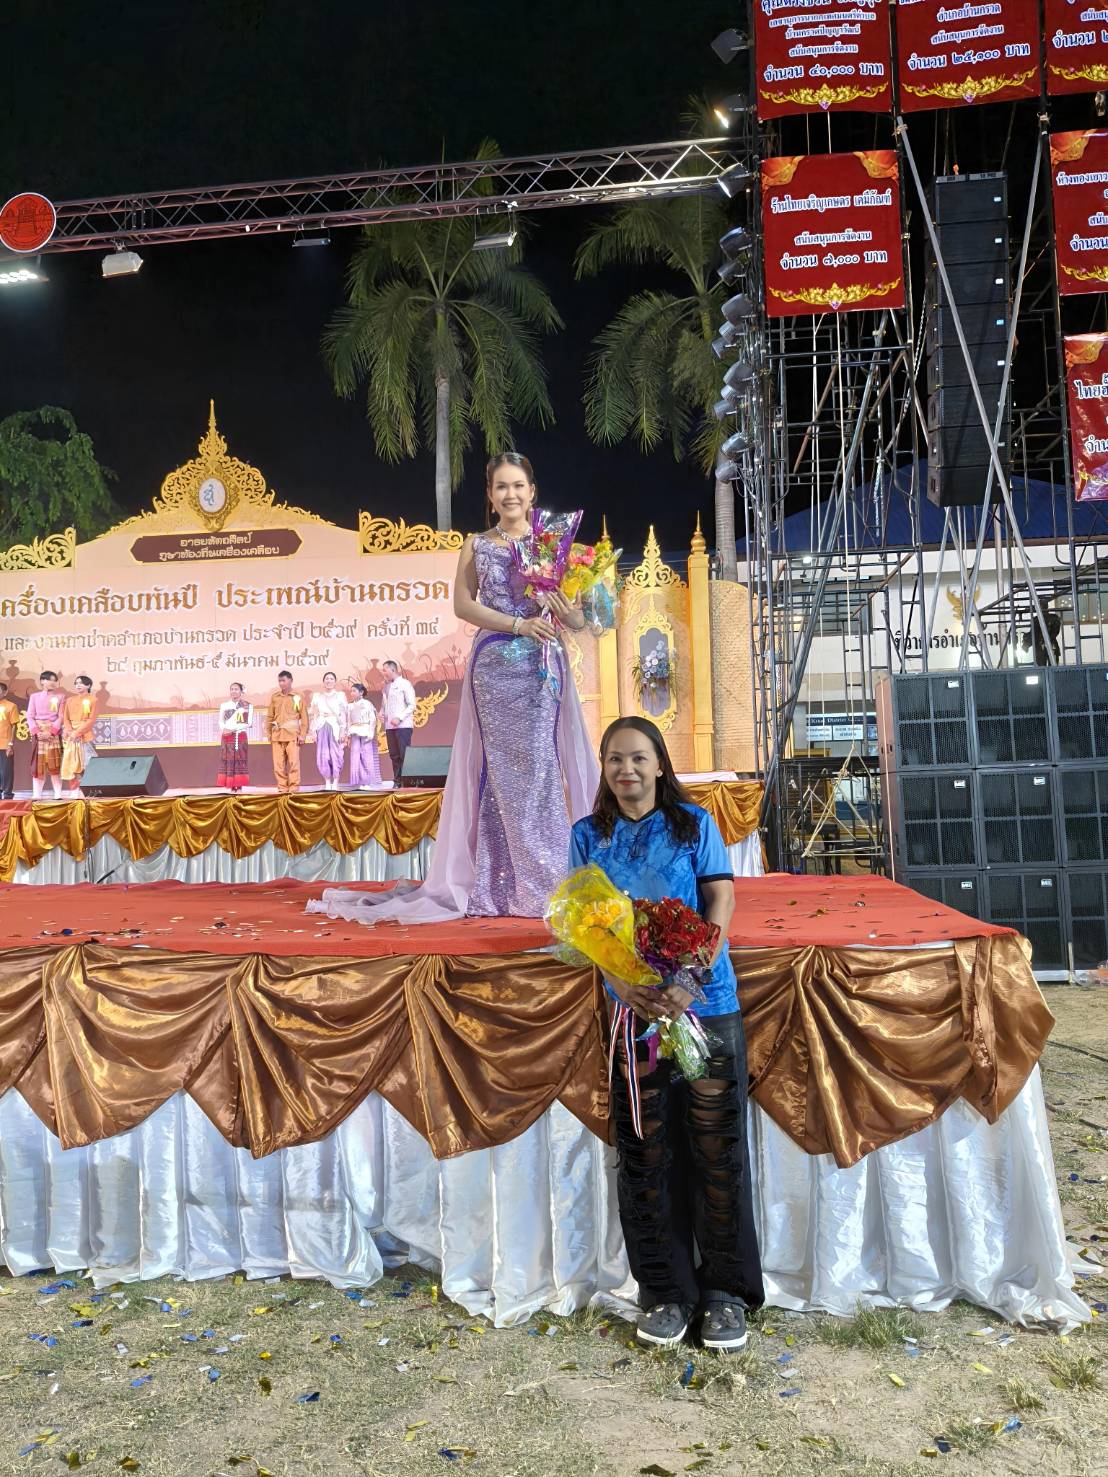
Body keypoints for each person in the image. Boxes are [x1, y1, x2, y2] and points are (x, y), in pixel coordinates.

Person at [310, 451, 599, 923]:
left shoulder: (555, 545)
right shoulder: (477, 545)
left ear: (532, 492)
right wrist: (517, 624)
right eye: (501, 486)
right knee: (500, 775)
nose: (510, 494)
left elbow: (581, 620)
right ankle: (497, 885)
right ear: (490, 495)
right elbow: (463, 605)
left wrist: (571, 615)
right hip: (495, 666)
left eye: (518, 485)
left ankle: (547, 879)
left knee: (542, 769)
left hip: (541, 668)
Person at [569, 716, 764, 1353]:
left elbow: (720, 903)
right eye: (614, 759)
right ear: (603, 768)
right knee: (645, 1151)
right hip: (635, 1012)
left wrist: (690, 975)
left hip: (705, 1004)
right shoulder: (587, 835)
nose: (626, 770)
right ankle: (665, 1293)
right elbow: (585, 925)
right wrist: (620, 982)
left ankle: (726, 1294)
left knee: (716, 1147)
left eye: (638, 758)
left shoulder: (694, 825)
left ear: (659, 764)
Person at [265, 670, 308, 794]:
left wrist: (303, 735)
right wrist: (269, 733)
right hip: (277, 735)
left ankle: (294, 788)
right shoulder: (275, 697)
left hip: (293, 734)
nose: (281, 683)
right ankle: (282, 788)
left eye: (283, 680)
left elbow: (304, 717)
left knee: (293, 763)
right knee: (278, 765)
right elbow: (270, 716)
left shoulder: (298, 696)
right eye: (279, 681)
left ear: (291, 680)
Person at [26, 671, 64, 801]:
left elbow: (61, 716)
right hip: (39, 734)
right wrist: (37, 732)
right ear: (42, 681)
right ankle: (37, 794)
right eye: (50, 680)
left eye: (55, 680)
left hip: (53, 733)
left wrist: (51, 732)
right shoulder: (34, 697)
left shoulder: (60, 697)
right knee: (38, 764)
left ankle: (58, 793)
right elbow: (30, 716)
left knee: (55, 764)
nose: (53, 682)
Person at [309, 671, 349, 791]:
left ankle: (336, 780)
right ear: (323, 681)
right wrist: (313, 731)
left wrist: (343, 730)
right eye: (327, 678)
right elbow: (313, 715)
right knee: (323, 755)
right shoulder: (317, 696)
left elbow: (344, 714)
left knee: (336, 754)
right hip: (321, 726)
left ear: (335, 681)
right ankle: (327, 780)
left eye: (331, 679)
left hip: (335, 727)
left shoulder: (340, 695)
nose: (329, 681)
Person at [60, 675, 98, 797]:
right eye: (76, 683)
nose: (78, 685)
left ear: (88, 685)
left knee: (87, 764)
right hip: (71, 737)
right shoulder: (70, 700)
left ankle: (88, 791)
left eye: (81, 683)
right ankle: (74, 791)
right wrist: (70, 731)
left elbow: (91, 720)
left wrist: (78, 732)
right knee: (72, 764)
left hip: (85, 736)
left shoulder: (93, 700)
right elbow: (66, 718)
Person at [380, 660, 416, 785]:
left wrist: (399, 718)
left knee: (404, 754)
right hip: (390, 726)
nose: (383, 672)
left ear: (392, 669)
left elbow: (412, 705)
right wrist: (381, 712)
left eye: (384, 670)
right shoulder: (386, 687)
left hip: (403, 726)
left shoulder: (405, 684)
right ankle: (397, 781)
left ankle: (408, 780)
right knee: (394, 755)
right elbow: (385, 704)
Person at [217, 682, 253, 791]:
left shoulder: (247, 705)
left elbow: (249, 723)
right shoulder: (224, 705)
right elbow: (221, 721)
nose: (233, 691)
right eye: (232, 689)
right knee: (228, 760)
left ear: (241, 691)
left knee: (240, 760)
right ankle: (231, 786)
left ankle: (239, 785)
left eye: (236, 689)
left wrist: (232, 729)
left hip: (240, 736)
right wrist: (224, 729)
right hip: (227, 736)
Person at [346, 682, 382, 789]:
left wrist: (371, 733)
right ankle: (361, 781)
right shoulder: (349, 706)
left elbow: (372, 719)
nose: (352, 693)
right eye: (351, 691)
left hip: (365, 731)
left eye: (354, 691)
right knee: (355, 756)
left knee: (366, 756)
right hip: (354, 731)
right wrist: (348, 735)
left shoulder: (367, 704)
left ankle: (368, 782)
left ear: (361, 692)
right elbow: (348, 721)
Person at [0, 682, 19, 800]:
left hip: (5, 744)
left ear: (5, 692)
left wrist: (10, 744)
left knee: (6, 770)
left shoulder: (11, 706)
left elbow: (14, 726)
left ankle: (7, 794)